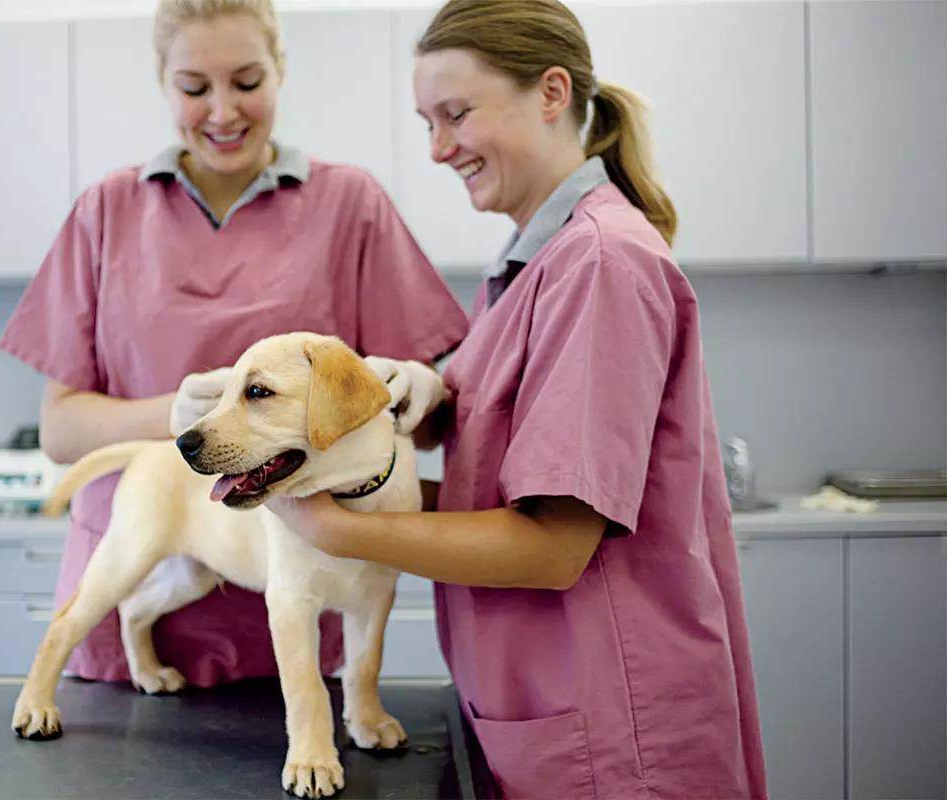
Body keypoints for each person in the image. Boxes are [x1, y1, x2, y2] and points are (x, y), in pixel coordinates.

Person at [266, 1, 768, 797]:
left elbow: (551, 546)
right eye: (426, 122)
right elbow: (486, 485)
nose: (437, 148)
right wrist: (391, 441)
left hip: (611, 730)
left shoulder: (601, 261)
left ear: (552, 92)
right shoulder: (528, 268)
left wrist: (333, 526)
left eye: (456, 115)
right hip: (542, 706)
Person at [0, 0, 468, 688]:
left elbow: (416, 431)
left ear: (281, 71)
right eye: (194, 88)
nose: (222, 111)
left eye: (247, 82)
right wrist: (183, 420)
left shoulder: (350, 205)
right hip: (138, 591)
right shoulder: (107, 210)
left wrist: (418, 391)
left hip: (299, 591)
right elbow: (61, 430)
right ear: (163, 83)